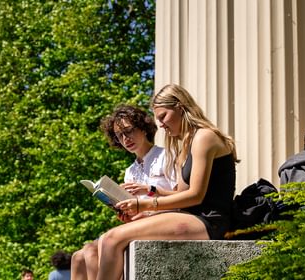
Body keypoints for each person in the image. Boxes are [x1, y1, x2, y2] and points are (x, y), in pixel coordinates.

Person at [94, 84, 239, 280]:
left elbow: (196, 196)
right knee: (106, 239)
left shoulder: (204, 137)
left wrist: (146, 203)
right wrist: (144, 207)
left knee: (112, 239)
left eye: (163, 116)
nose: (161, 124)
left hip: (209, 220)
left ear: (180, 107)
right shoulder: (185, 144)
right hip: (191, 217)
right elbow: (181, 196)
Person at [70, 104, 177, 280]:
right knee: (79, 256)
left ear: (143, 128)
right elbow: (135, 210)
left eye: (129, 131)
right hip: (142, 223)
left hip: (165, 219)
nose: (125, 138)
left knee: (91, 252)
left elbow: (180, 199)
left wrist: (149, 191)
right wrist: (126, 214)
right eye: (119, 135)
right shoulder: (130, 171)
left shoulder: (166, 156)